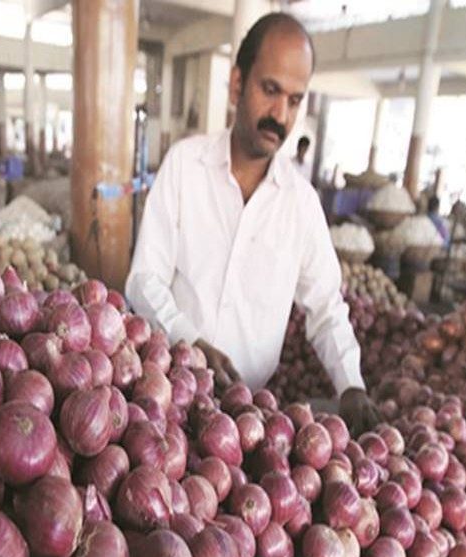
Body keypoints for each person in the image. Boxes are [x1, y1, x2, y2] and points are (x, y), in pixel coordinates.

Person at [126, 12, 379, 434]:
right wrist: (189, 341)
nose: (279, 114)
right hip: (166, 393)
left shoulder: (301, 204)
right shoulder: (185, 166)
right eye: (270, 89)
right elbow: (144, 279)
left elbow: (326, 308)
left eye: (295, 100)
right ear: (237, 84)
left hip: (249, 419)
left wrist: (350, 384)